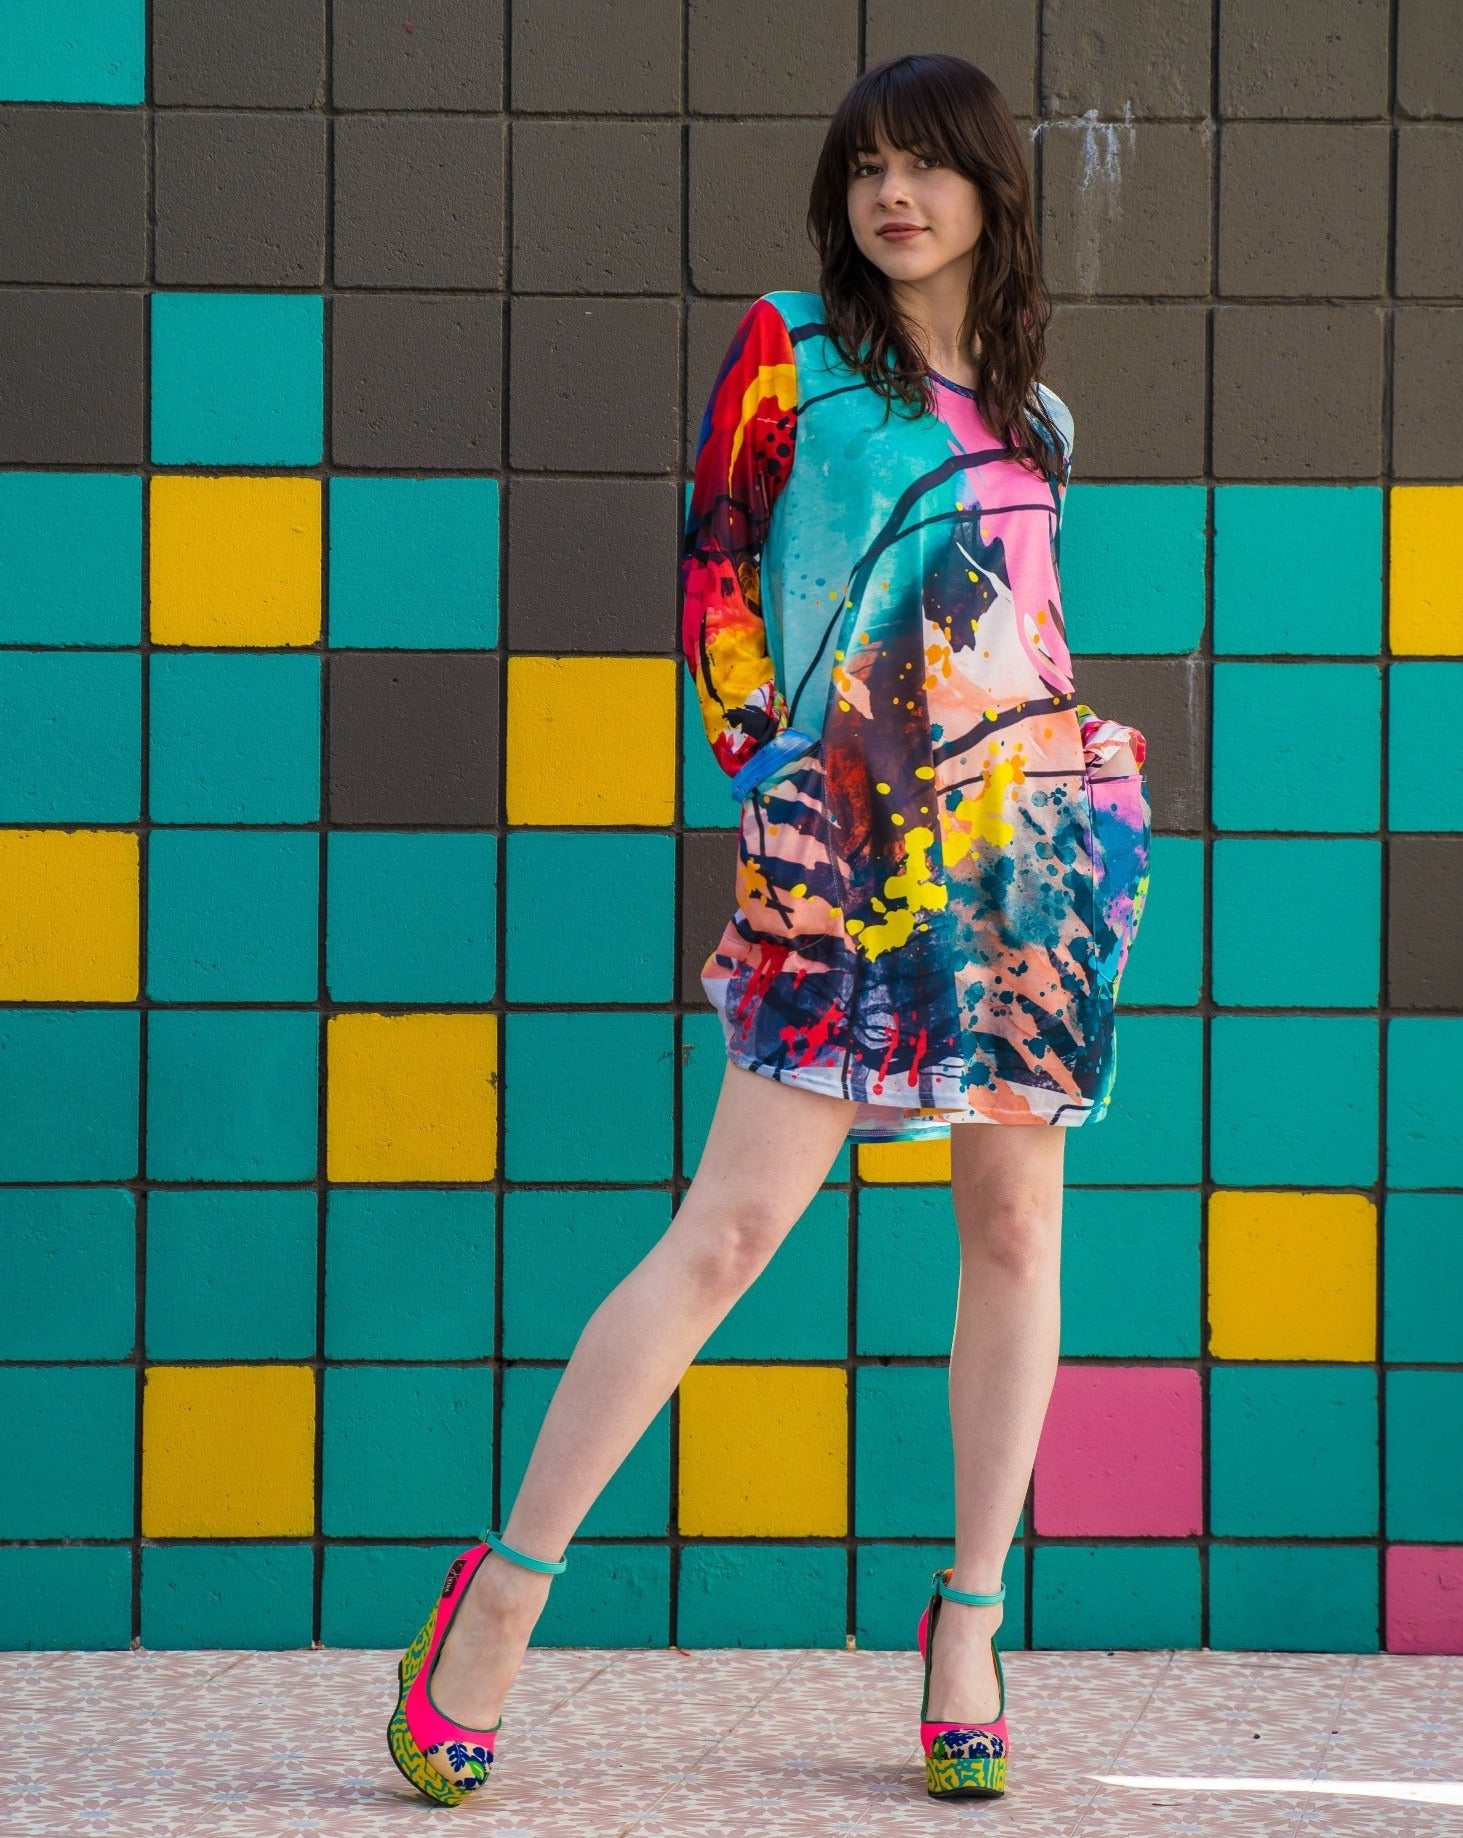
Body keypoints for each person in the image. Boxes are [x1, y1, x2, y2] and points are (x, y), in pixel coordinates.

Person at [385, 50, 1152, 1809]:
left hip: (1023, 858)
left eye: (928, 166)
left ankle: (970, 1624)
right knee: (727, 1230)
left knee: (1015, 1226)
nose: (896, 194)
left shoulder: (1037, 417)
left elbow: (1018, 628)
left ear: (988, 192)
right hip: (844, 848)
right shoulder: (789, 354)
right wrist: (764, 761)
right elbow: (716, 566)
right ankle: (500, 1597)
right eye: (867, 168)